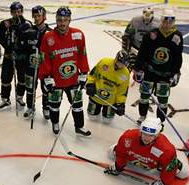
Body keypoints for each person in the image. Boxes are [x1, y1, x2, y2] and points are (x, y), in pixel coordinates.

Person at [39, 6, 91, 137]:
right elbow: (44, 59)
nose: (62, 23)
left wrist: (84, 73)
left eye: (65, 20)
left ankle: (79, 127)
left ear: (70, 20)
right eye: (60, 19)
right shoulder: (48, 37)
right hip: (55, 79)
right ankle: (55, 123)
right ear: (56, 20)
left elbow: (82, 54)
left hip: (73, 78)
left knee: (77, 104)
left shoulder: (78, 35)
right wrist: (46, 77)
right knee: (54, 104)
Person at [104, 117, 189, 185]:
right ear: (140, 131)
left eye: (151, 135)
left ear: (157, 135)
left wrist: (164, 184)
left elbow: (169, 169)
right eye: (144, 133)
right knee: (110, 152)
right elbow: (121, 152)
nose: (146, 138)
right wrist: (118, 166)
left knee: (184, 174)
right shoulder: (128, 137)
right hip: (138, 156)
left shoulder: (166, 150)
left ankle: (178, 153)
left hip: (156, 163)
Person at [132, 9, 183, 124]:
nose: (168, 23)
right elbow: (143, 52)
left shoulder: (177, 36)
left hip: (166, 74)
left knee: (163, 100)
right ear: (162, 20)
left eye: (171, 21)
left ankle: (160, 121)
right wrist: (138, 68)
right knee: (144, 96)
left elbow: (178, 56)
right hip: (149, 71)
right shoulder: (152, 34)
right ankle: (142, 116)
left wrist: (176, 72)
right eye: (166, 20)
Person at [0, 1, 32, 111]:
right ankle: (5, 99)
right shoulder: (4, 23)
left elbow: (29, 40)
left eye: (19, 11)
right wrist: (9, 46)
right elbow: (1, 38)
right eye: (15, 12)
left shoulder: (28, 24)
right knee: (5, 78)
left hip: (22, 58)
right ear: (11, 12)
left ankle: (19, 97)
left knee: (22, 79)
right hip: (8, 56)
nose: (17, 14)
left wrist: (21, 49)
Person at [21, 5, 52, 119]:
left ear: (44, 16)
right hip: (31, 65)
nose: (37, 18)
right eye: (35, 16)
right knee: (30, 87)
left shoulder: (51, 33)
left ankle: (46, 108)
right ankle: (30, 107)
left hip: (45, 67)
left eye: (39, 15)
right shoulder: (28, 31)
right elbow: (23, 49)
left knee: (46, 88)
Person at [86, 50, 130, 123]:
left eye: (124, 64)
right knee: (92, 118)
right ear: (116, 59)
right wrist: (90, 84)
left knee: (107, 121)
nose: (121, 66)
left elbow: (122, 91)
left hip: (110, 101)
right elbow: (93, 74)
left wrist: (120, 104)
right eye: (120, 63)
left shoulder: (125, 74)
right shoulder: (104, 62)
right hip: (96, 95)